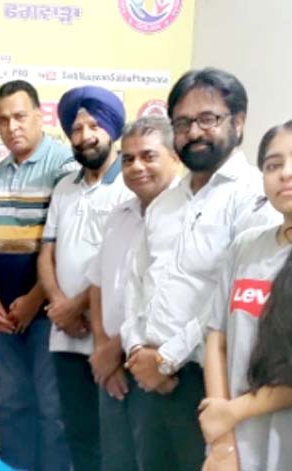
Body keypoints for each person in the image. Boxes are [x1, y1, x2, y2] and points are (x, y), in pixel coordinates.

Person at [119, 68, 280, 470]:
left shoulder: (255, 197)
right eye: (182, 123)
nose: (194, 132)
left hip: (211, 381)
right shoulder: (165, 203)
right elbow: (137, 281)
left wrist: (167, 359)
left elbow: (230, 296)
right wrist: (136, 347)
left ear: (238, 122)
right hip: (149, 378)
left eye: (208, 119)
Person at [199, 119, 292, 471]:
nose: (287, 173)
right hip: (233, 444)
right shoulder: (246, 246)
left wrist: (234, 411)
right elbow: (217, 340)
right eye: (273, 165)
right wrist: (222, 441)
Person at [38, 86, 136, 471]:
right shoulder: (65, 187)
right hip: (65, 334)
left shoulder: (130, 183)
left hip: (109, 335)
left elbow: (120, 262)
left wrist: (76, 306)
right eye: (77, 129)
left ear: (112, 128)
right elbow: (47, 252)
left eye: (94, 126)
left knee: (114, 436)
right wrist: (59, 305)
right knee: (77, 433)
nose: (85, 136)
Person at [0, 80, 75, 471]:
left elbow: (64, 245)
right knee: (12, 405)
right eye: (3, 120)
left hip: (46, 312)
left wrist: (35, 299)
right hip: (5, 314)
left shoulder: (64, 166)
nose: (12, 127)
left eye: (20, 117)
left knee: (52, 410)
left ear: (40, 116)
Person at [86, 115, 182, 471]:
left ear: (175, 157)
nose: (137, 166)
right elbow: (98, 283)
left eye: (148, 156)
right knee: (116, 462)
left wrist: (116, 349)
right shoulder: (119, 215)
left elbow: (175, 299)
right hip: (112, 368)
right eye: (127, 159)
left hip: (161, 367)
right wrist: (103, 348)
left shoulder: (188, 216)